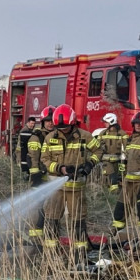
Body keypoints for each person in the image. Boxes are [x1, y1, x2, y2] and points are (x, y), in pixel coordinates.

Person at [40, 104, 101, 264]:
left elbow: (98, 151)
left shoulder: (85, 136)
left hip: (76, 189)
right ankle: (50, 257)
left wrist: (89, 164)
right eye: (60, 128)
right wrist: (60, 168)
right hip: (56, 188)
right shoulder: (50, 138)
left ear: (73, 123)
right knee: (51, 220)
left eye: (66, 127)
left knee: (78, 222)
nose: (62, 130)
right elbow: (45, 159)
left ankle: (79, 256)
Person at [112, 111, 140, 239]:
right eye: (136, 124)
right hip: (128, 182)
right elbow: (124, 159)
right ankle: (116, 236)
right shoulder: (130, 139)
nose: (138, 126)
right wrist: (120, 175)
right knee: (120, 209)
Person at [25, 105, 55, 246]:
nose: (50, 123)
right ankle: (35, 236)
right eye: (47, 120)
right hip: (40, 178)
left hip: (53, 177)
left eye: (52, 120)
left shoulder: (58, 136)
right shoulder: (36, 137)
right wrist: (35, 175)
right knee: (38, 206)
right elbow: (33, 157)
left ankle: (48, 234)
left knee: (52, 207)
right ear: (42, 122)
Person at [96, 112, 128, 191]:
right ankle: (111, 194)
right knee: (111, 178)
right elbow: (97, 147)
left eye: (106, 122)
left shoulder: (122, 134)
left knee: (119, 179)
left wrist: (126, 159)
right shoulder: (102, 133)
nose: (105, 124)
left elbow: (127, 147)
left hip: (119, 161)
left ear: (111, 122)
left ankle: (115, 196)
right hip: (106, 161)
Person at [17, 115, 37, 180]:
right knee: (25, 164)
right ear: (28, 123)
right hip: (23, 151)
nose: (32, 125)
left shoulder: (31, 130)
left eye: (34, 123)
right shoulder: (24, 131)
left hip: (26, 151)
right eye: (31, 123)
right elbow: (20, 145)